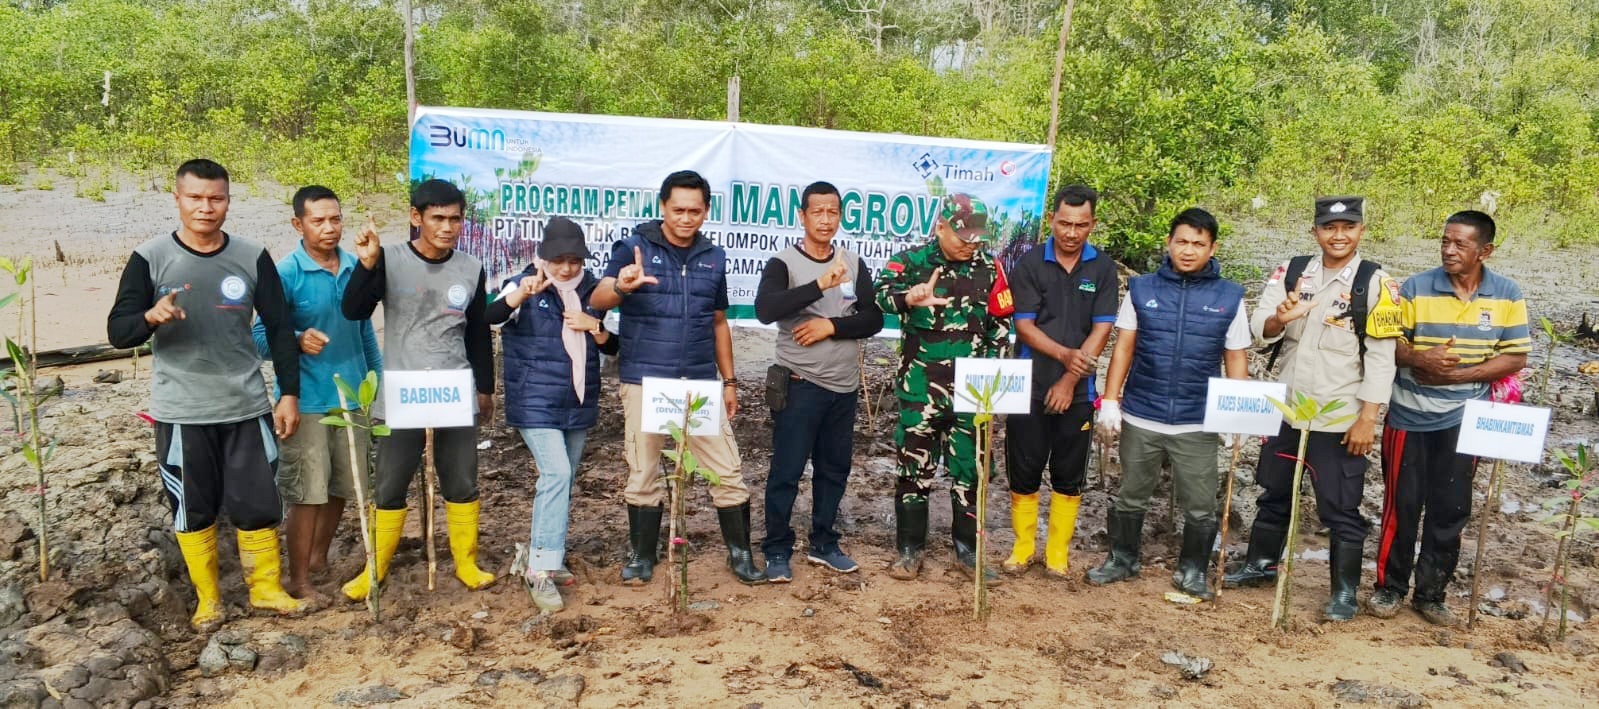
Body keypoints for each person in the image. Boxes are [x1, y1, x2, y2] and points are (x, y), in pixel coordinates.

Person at [107, 158, 304, 631]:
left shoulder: (252, 256)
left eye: (215, 198)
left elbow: (279, 328)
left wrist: (288, 393)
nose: (205, 207)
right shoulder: (150, 258)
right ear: (177, 199)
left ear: (228, 202)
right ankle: (208, 598)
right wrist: (150, 318)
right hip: (182, 410)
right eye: (195, 197)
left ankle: (265, 588)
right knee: (192, 506)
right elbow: (117, 332)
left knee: (258, 500)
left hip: (245, 404)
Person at [1223, 196, 1399, 621]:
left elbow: (1382, 355)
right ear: (1315, 231)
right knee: (1274, 491)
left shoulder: (1377, 283)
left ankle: (1342, 593)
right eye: (1329, 227)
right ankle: (1260, 565)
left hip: (1339, 416)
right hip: (1287, 408)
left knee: (1340, 507)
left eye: (1348, 227)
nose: (1338, 236)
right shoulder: (1292, 271)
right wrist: (1281, 318)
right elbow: (1259, 329)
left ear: (1361, 230)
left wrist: (1367, 419)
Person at [589, 170, 764, 586]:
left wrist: (730, 382)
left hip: (699, 384)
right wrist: (622, 286)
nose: (686, 218)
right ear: (663, 207)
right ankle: (641, 556)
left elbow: (719, 322)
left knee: (727, 470)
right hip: (645, 381)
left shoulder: (714, 257)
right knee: (643, 470)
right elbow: (597, 298)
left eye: (695, 211)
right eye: (678, 210)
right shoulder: (633, 248)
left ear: (706, 211)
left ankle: (739, 555)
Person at [1367, 210, 1530, 626]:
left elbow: (1515, 355)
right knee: (1400, 507)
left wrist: (1459, 375)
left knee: (1451, 509)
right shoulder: (1416, 287)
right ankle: (1389, 588)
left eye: (1459, 244)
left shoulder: (1507, 294)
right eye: (1444, 241)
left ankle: (1431, 593)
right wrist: (1421, 358)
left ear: (1485, 251)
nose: (1449, 250)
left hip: (1465, 420)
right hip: (1409, 416)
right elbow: (1390, 345)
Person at [339, 178, 497, 600]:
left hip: (453, 391)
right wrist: (367, 266)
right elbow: (353, 309)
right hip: (402, 394)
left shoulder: (470, 267)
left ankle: (465, 561)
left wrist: (486, 388)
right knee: (390, 484)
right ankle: (376, 567)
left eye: (455, 219)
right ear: (416, 218)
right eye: (438, 218)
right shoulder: (388, 259)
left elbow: (478, 332)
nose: (447, 227)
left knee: (461, 480)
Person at [1090, 208, 1250, 599]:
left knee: (1200, 503)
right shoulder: (1143, 289)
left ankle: (1193, 569)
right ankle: (1123, 558)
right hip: (1143, 412)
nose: (1189, 251)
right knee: (1131, 492)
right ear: (1169, 243)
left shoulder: (1230, 297)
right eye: (1182, 241)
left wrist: (1237, 414)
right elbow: (1124, 346)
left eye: (1199, 244)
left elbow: (1236, 357)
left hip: (1198, 419)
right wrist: (1110, 400)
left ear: (1212, 248)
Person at [250, 185, 383, 605]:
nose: (329, 228)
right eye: (318, 220)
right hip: (305, 399)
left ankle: (321, 558)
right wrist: (294, 338)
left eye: (335, 219)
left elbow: (365, 332)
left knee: (346, 484)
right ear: (298, 224)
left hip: (353, 397)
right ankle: (299, 577)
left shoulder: (355, 267)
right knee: (307, 493)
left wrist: (377, 386)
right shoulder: (286, 273)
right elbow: (258, 337)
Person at [875, 193, 1011, 582]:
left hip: (973, 394)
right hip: (921, 389)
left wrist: (994, 383)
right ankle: (909, 550)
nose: (969, 243)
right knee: (914, 469)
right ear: (940, 227)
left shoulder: (990, 267)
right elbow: (878, 295)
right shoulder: (914, 260)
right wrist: (908, 297)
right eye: (961, 235)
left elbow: (1000, 328)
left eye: (976, 237)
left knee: (970, 471)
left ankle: (966, 553)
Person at [753, 181, 885, 583]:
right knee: (787, 471)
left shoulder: (853, 262)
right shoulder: (783, 263)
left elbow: (873, 318)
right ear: (803, 216)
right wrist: (819, 286)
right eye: (817, 212)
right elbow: (766, 309)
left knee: (834, 470)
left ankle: (824, 543)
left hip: (842, 389)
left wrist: (831, 325)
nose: (826, 220)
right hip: (799, 385)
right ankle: (777, 548)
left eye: (833, 212)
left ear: (840, 216)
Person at [488, 217, 619, 612]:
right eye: (558, 260)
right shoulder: (523, 283)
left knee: (564, 478)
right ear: (542, 256)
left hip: (577, 399)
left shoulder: (592, 290)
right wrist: (518, 298)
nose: (566, 269)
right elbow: (487, 317)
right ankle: (540, 569)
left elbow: (612, 347)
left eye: (574, 261)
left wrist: (594, 326)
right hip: (534, 401)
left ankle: (544, 553)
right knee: (557, 474)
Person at [1002, 185, 1118, 577]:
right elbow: (1024, 326)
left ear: (1092, 224)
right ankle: (1022, 549)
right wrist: (1064, 356)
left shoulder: (1103, 269)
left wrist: (1069, 379)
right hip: (1028, 386)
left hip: (1081, 390)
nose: (1071, 233)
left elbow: (1102, 329)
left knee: (1069, 474)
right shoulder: (1031, 264)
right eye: (1064, 223)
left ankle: (1056, 554)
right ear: (1052, 219)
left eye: (1080, 225)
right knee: (1024, 468)